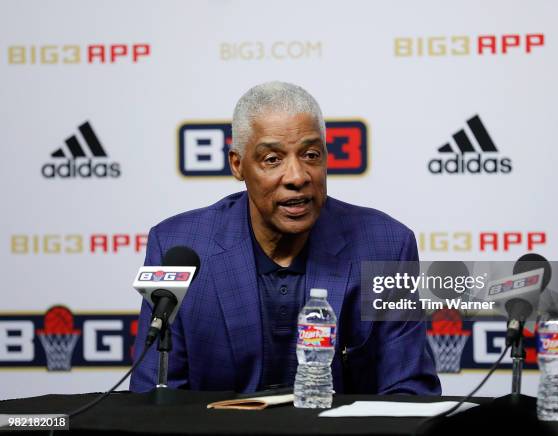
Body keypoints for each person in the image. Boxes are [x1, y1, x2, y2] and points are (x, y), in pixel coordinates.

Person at [130, 81, 441, 395]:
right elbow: (155, 392)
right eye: (272, 160)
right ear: (237, 165)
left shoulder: (387, 246)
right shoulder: (173, 245)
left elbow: (409, 388)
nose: (297, 177)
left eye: (310, 155)